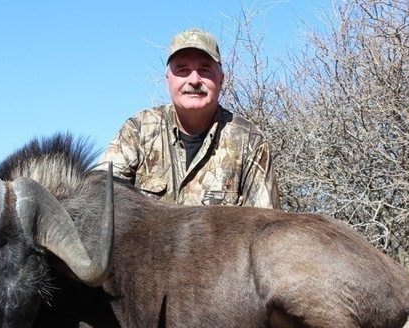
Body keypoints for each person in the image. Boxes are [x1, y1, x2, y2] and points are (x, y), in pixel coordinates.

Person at [96, 28, 280, 209]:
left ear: (221, 80)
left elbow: (266, 228)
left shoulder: (250, 141)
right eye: (183, 70)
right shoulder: (138, 130)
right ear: (168, 79)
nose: (194, 80)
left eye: (205, 70)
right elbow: (97, 197)